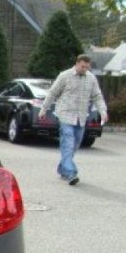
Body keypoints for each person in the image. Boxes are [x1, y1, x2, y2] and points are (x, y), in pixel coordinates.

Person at [39, 54, 108, 186]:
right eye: (83, 67)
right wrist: (43, 109)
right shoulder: (64, 76)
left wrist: (103, 111)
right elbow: (53, 93)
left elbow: (97, 96)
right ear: (77, 63)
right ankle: (71, 173)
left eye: (87, 68)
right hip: (65, 114)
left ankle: (62, 168)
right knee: (68, 142)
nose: (84, 70)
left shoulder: (91, 78)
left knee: (74, 146)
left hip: (81, 117)